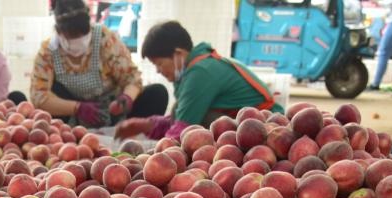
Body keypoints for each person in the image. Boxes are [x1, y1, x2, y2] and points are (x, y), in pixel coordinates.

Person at [116, 21, 283, 141]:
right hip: (249, 128)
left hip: (266, 129)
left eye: (159, 63)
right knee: (178, 110)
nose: (158, 70)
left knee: (201, 123)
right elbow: (180, 116)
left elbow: (182, 129)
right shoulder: (196, 68)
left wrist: (152, 159)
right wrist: (145, 125)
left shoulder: (200, 72)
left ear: (178, 54)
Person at [30, 0, 167, 128]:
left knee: (157, 93)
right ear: (59, 32)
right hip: (74, 117)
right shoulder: (49, 51)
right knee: (50, 98)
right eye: (72, 37)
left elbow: (131, 77)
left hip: (114, 111)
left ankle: (127, 130)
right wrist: (78, 108)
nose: (79, 41)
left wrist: (125, 99)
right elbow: (38, 96)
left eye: (82, 35)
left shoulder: (105, 38)